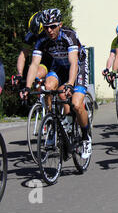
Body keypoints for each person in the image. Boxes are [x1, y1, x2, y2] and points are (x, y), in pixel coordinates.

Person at [20, 8, 92, 159]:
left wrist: (70, 84)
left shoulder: (69, 35)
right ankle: (53, 122)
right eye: (46, 27)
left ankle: (86, 138)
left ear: (60, 24)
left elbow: (73, 63)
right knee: (47, 87)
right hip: (59, 67)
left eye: (53, 26)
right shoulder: (42, 39)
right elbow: (34, 65)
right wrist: (26, 86)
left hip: (77, 68)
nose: (49, 30)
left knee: (77, 104)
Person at [12, 12, 52, 86]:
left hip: (53, 59)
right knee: (35, 78)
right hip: (41, 60)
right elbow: (23, 55)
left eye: (38, 33)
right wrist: (19, 73)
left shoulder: (51, 31)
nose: (37, 35)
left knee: (37, 76)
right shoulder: (30, 35)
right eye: (34, 33)